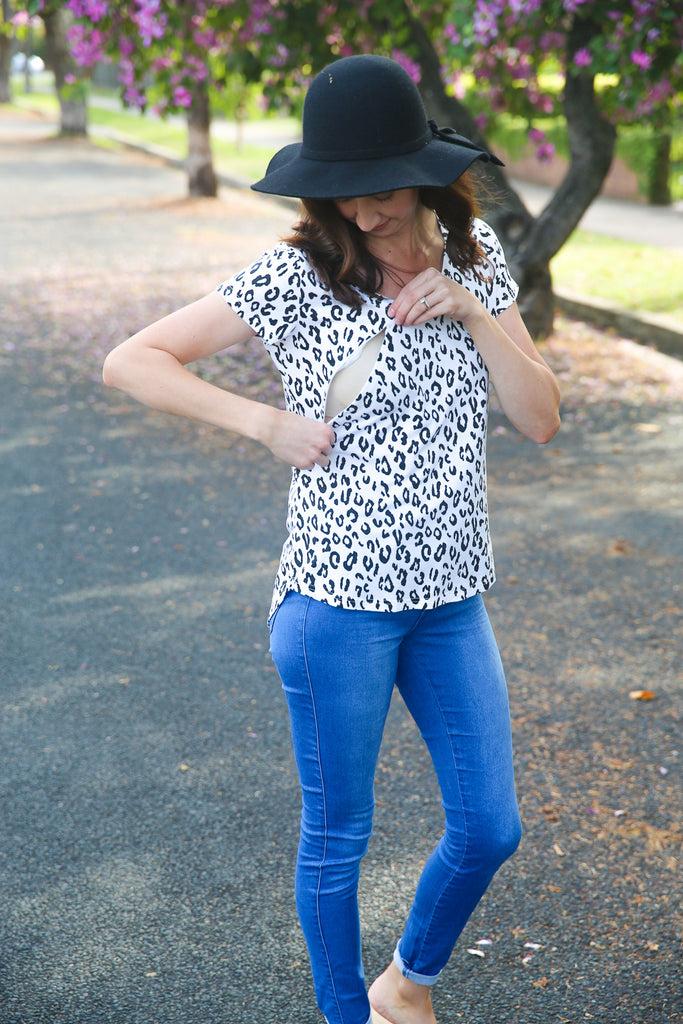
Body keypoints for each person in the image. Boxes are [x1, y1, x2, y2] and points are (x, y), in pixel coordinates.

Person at [103, 54, 560, 1024]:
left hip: (446, 596)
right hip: (335, 605)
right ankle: (344, 1014)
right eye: (341, 194)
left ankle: (405, 983)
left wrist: (473, 309)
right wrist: (262, 424)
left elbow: (539, 418)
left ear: (426, 172)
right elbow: (130, 360)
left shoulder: (475, 256)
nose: (361, 214)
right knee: (338, 834)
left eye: (381, 190)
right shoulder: (294, 275)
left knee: (488, 826)